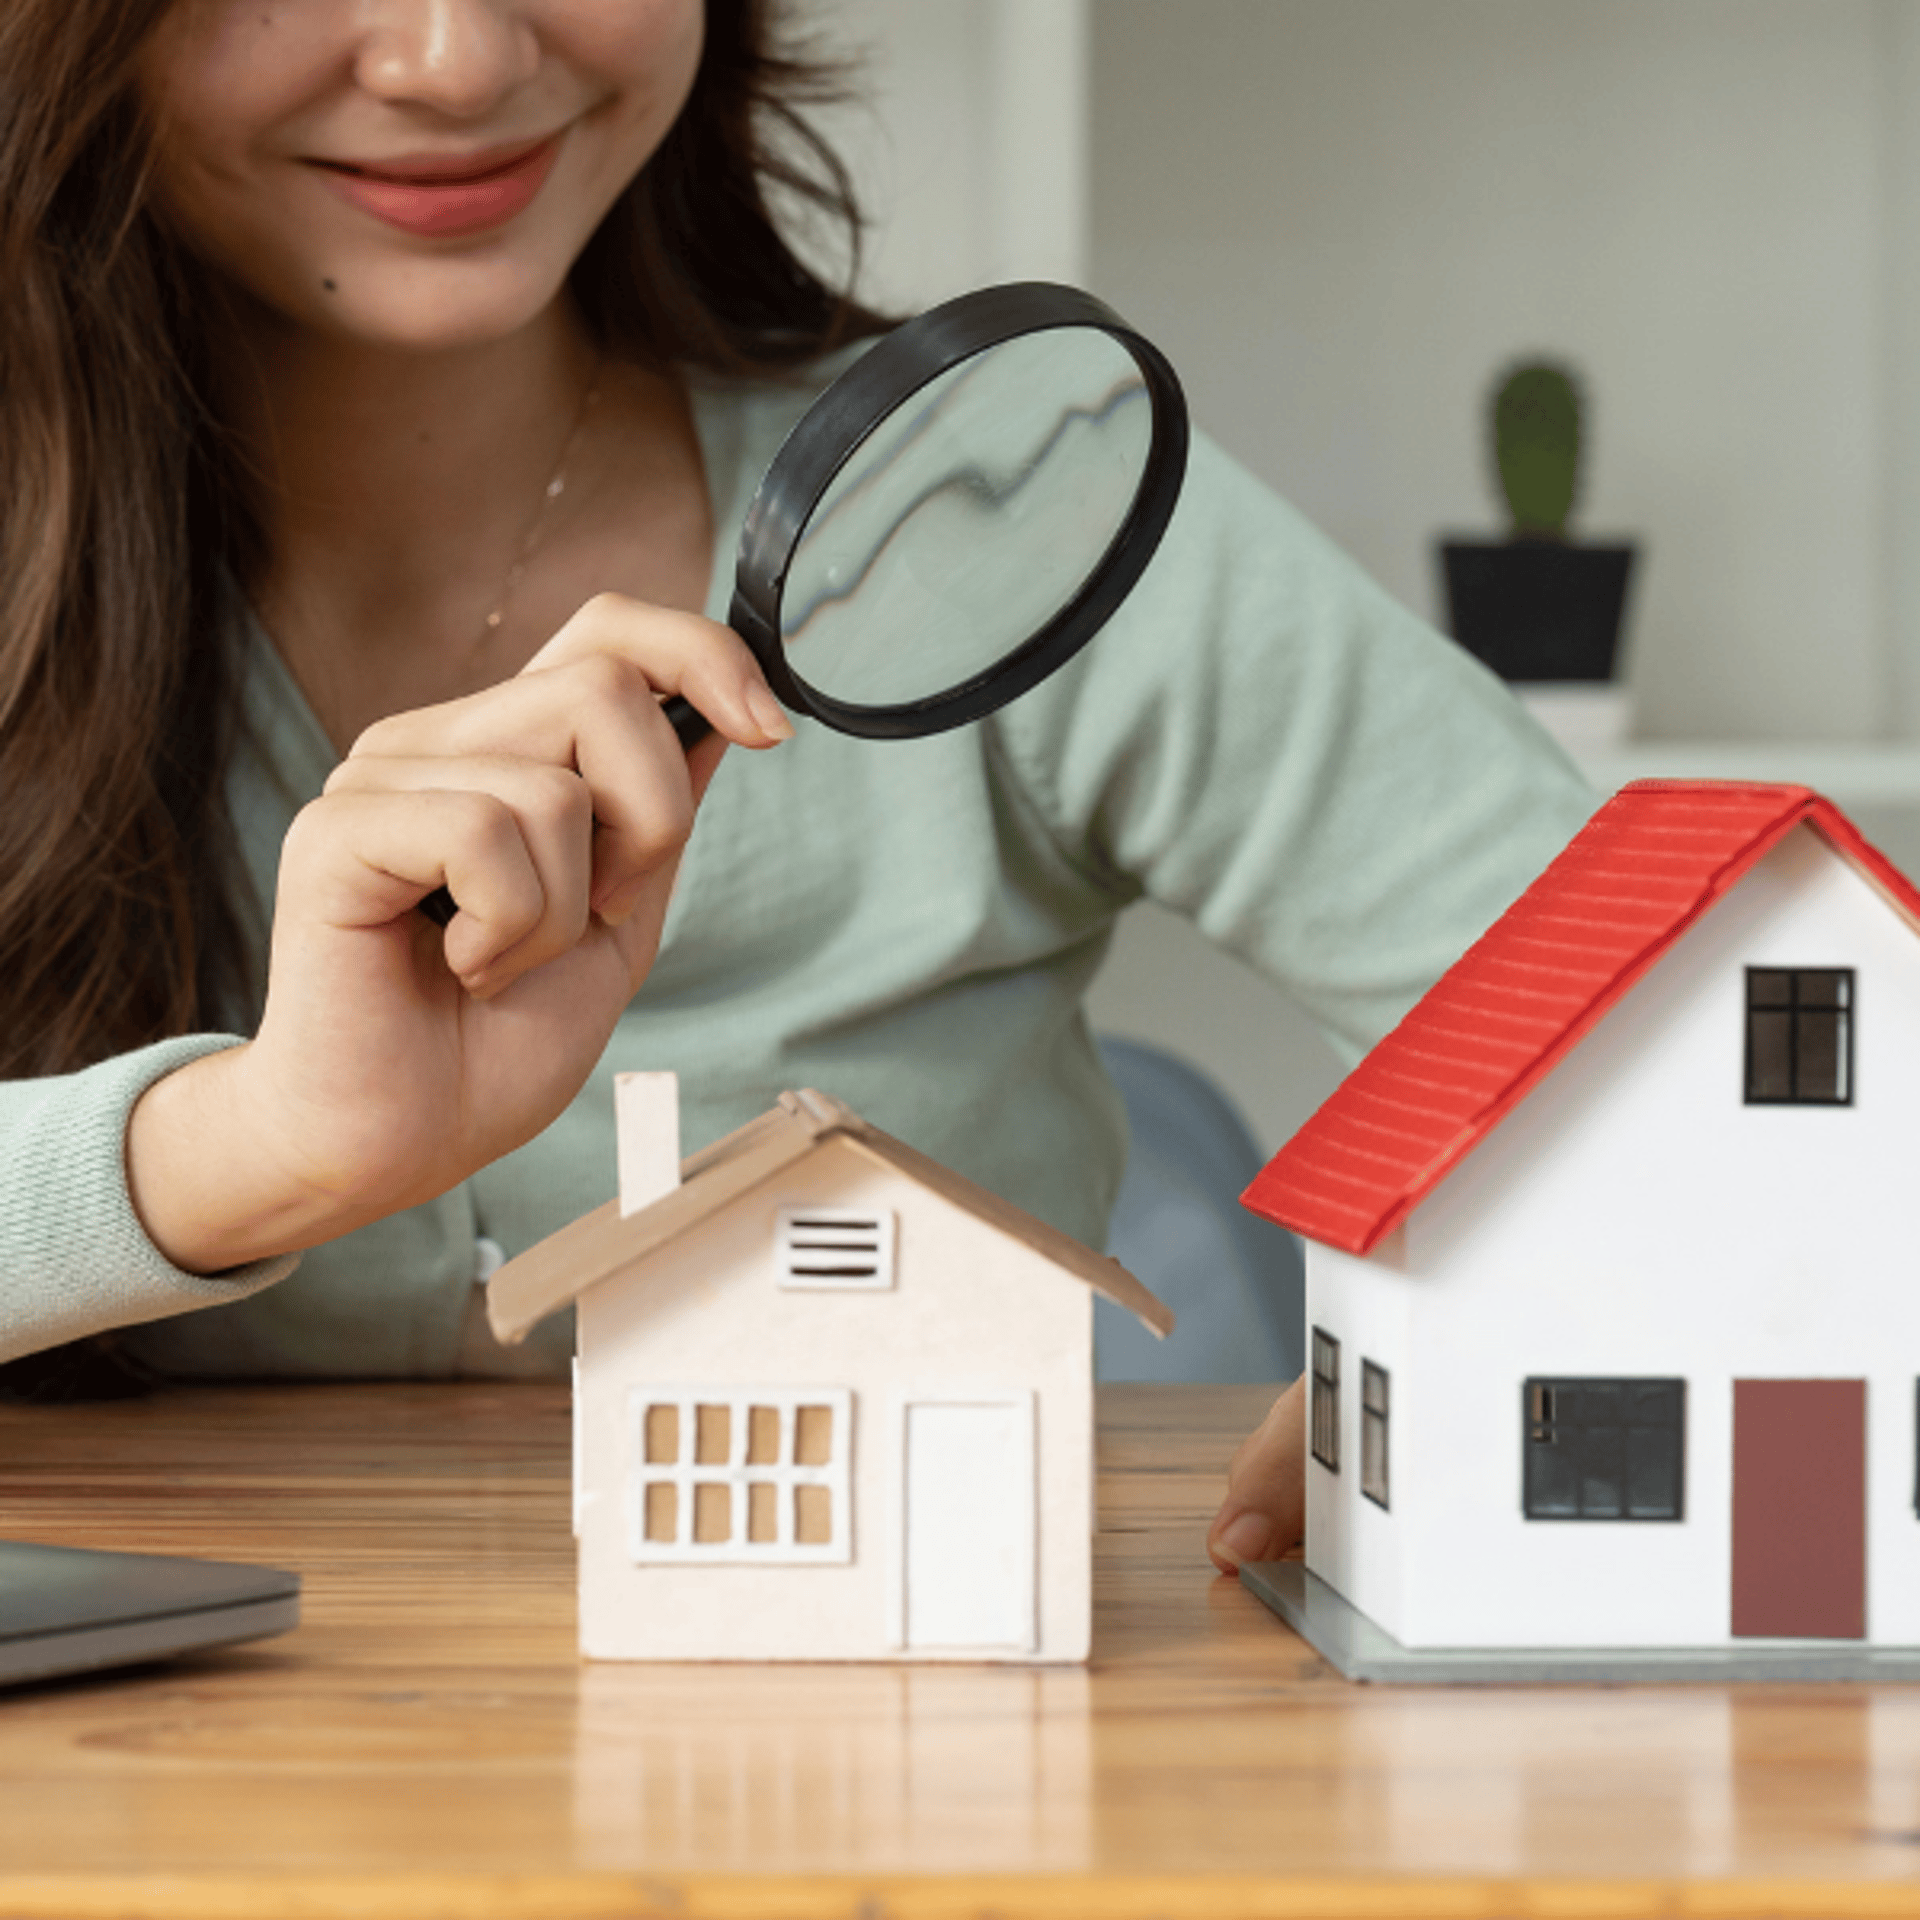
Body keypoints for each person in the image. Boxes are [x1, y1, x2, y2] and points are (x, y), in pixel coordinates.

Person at [0, 0, 1595, 1575]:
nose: (456, 59)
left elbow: (1625, 1017)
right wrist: (252, 1144)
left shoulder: (993, 499)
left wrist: (1479, 1330)